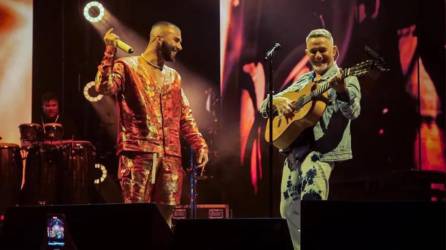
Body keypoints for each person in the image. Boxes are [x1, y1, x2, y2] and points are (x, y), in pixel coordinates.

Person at [95, 21, 209, 227]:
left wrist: (200, 144)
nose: (180, 47)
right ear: (159, 39)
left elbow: (185, 115)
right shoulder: (128, 66)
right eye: (176, 40)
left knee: (166, 217)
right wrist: (110, 51)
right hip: (138, 154)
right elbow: (103, 88)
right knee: (136, 219)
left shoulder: (174, 77)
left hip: (170, 156)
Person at [260, 28, 361, 250]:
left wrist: (342, 90)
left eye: (322, 50)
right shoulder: (304, 80)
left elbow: (353, 111)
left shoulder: (348, 77)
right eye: (313, 51)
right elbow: (264, 105)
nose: (317, 56)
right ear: (307, 53)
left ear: (334, 51)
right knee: (288, 210)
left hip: (321, 153)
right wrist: (276, 102)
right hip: (295, 153)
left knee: (312, 204)